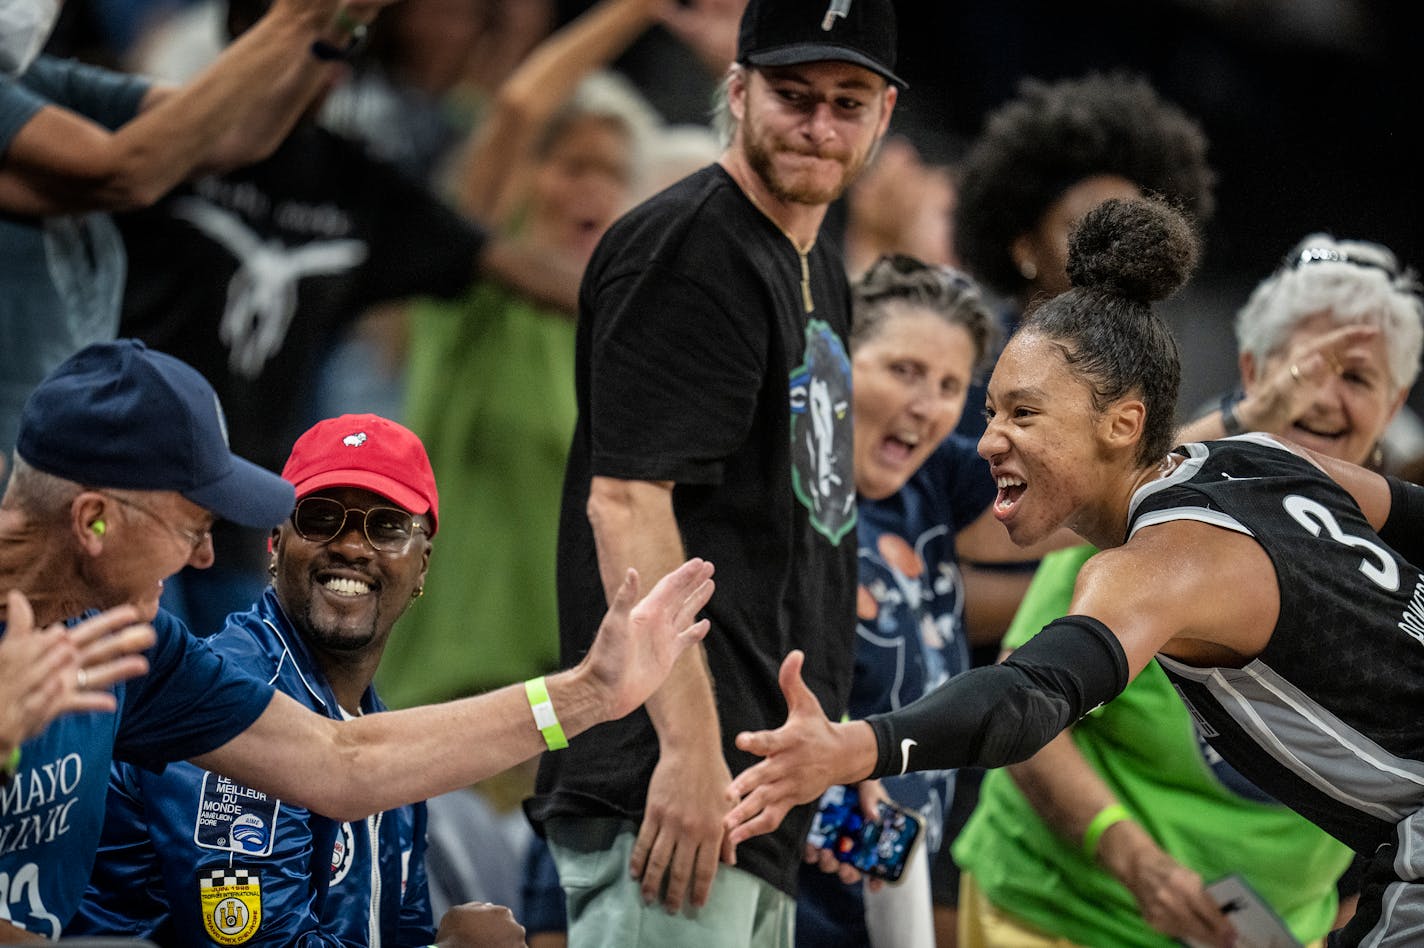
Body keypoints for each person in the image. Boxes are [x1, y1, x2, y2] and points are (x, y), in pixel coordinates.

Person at [723, 195, 1424, 948]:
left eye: (1022, 414)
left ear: (1121, 423)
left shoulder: (1156, 563)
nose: (988, 440)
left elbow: (1028, 695)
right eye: (989, 411)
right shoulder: (1263, 460)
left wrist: (855, 746)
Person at [0, 338, 714, 939]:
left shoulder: (136, 648)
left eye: (385, 527)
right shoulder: (195, 657)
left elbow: (343, 766)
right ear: (94, 520)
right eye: (192, 526)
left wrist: (590, 693)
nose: (204, 558)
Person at [525, 0, 901, 943]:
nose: (819, 125)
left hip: (749, 795)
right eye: (794, 95)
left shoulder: (817, 267)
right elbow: (626, 503)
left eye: (847, 102)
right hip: (671, 790)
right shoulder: (695, 249)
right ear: (736, 92)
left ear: (884, 116)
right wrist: (690, 755)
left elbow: (794, 532)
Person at [949, 231, 1423, 948]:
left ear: (1392, 408)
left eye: (1356, 378)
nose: (1322, 397)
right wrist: (1132, 859)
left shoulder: (1385, 539)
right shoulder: (1137, 515)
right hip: (1069, 917)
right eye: (1303, 367)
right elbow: (1026, 697)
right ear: (1253, 368)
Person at [112, 0, 587, 635]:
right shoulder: (160, 140)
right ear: (244, 38)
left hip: (241, 517)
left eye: (345, 48)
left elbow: (507, 262)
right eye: (315, 44)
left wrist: (671, 303)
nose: (332, 72)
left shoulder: (355, 184)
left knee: (220, 711)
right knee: (117, 691)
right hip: (123, 493)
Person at [69, 413, 517, 945]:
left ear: (422, 567)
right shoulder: (228, 700)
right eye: (322, 518)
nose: (353, 546)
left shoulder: (385, 739)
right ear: (276, 543)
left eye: (387, 526)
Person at [793, 255, 1074, 948]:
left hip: (884, 889)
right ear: (836, 361)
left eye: (951, 385)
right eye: (904, 371)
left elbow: (1086, 504)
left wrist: (1239, 435)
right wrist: (880, 858)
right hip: (796, 895)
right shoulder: (782, 502)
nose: (927, 405)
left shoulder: (929, 480)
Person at [0, 0, 400, 465]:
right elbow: (125, 170)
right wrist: (294, 18)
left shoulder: (36, 81)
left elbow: (240, 134)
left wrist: (339, 24)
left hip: (52, 451)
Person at [949, 70, 1215, 442]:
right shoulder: (967, 376)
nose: (1116, 249)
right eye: (1081, 229)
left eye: (1132, 227)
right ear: (1025, 248)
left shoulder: (1143, 376)